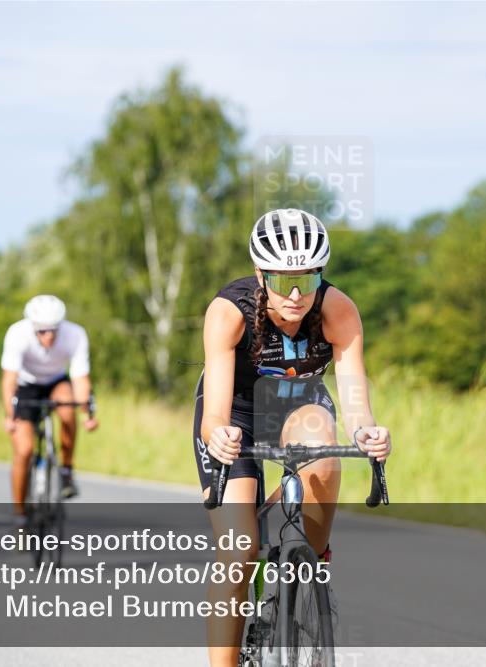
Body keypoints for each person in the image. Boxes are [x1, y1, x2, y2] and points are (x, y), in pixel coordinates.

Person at [193, 208, 392, 665]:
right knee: (239, 548)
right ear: (260, 274)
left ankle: (311, 565)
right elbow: (215, 414)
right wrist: (218, 435)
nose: (298, 294)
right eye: (284, 281)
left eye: (309, 277)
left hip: (299, 405)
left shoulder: (337, 309)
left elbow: (355, 398)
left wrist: (367, 432)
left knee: (324, 451)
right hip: (237, 413)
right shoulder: (229, 312)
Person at [1, 295, 97, 521]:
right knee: (23, 451)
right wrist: (10, 415)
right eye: (43, 331)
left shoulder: (75, 334)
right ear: (33, 327)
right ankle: (20, 517)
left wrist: (87, 413)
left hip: (56, 381)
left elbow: (80, 378)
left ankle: (66, 471)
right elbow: (9, 381)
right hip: (25, 385)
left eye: (54, 329)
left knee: (67, 408)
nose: (50, 336)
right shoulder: (17, 333)